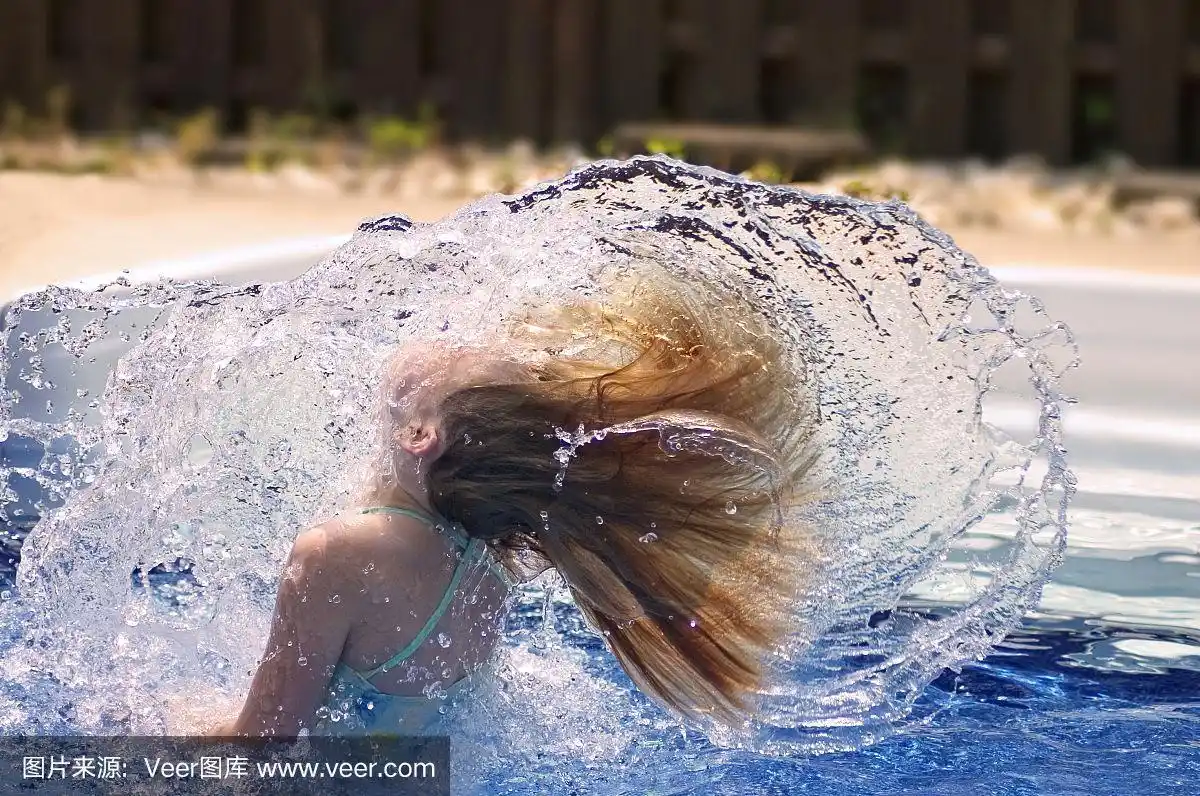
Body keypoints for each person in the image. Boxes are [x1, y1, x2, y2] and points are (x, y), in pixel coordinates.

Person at [207, 275, 814, 736]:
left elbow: (260, 747)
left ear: (422, 434)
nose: (459, 338)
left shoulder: (339, 554)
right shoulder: (486, 549)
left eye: (460, 359)